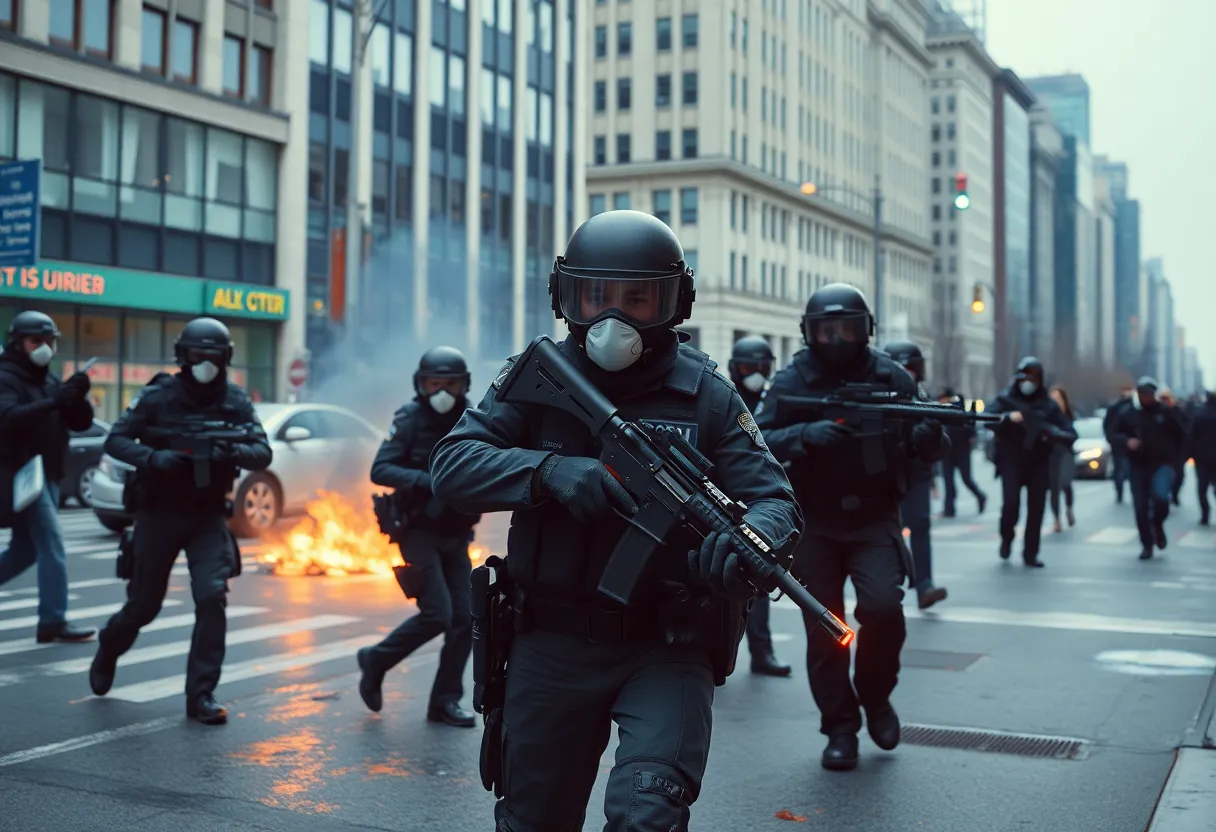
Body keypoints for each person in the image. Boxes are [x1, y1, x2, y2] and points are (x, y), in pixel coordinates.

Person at [429, 209, 803, 830]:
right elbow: (454, 466)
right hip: (548, 638)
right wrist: (549, 472)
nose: (614, 319)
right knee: (532, 819)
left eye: (639, 300)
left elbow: (774, 499)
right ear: (564, 297)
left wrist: (749, 543)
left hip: (667, 643)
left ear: (674, 305)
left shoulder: (707, 393)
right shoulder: (536, 378)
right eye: (595, 297)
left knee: (647, 813)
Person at [753, 284, 949, 772]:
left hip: (874, 515)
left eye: (849, 328)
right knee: (825, 631)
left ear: (868, 330)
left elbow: (930, 437)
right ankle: (840, 727)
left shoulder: (892, 376)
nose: (838, 338)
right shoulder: (792, 378)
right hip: (814, 521)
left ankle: (876, 697)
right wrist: (804, 435)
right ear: (808, 332)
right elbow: (753, 439)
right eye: (826, 330)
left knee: (883, 607)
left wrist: (929, 436)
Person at [89, 317, 272, 725]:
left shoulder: (236, 401)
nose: (205, 362)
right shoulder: (158, 397)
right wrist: (155, 458)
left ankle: (201, 695)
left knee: (211, 597)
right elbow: (116, 439)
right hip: (159, 512)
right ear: (182, 356)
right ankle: (109, 645)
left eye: (213, 355)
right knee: (144, 605)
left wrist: (230, 451)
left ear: (226, 358)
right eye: (196, 354)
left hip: (207, 516)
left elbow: (262, 452)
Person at [356, 346, 481, 727]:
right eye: (434, 383)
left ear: (464, 385)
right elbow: (381, 468)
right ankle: (377, 658)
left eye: (450, 384)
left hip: (456, 531)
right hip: (417, 530)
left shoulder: (474, 418)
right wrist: (428, 481)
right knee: (437, 614)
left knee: (465, 618)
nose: (442, 391)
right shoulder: (409, 418)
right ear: (421, 385)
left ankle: (444, 701)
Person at [0, 311, 96, 644]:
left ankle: (52, 620)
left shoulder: (49, 380)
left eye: (49, 341)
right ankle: (52, 621)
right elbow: (9, 418)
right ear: (18, 343)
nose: (43, 348)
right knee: (52, 544)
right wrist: (55, 401)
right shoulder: (6, 376)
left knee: (25, 550)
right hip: (22, 473)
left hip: (49, 475)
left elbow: (79, 422)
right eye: (35, 341)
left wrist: (78, 396)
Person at [726, 334, 790, 678]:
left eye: (762, 367)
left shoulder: (776, 399)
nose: (756, 374)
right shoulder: (722, 397)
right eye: (750, 367)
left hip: (759, 502)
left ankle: (762, 653)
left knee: (760, 579)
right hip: (721, 501)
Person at [984, 358, 1077, 568]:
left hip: (1039, 463)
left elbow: (1069, 433)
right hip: (1011, 461)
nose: (1027, 382)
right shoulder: (1005, 399)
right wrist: (1008, 418)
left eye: (1032, 378)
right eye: (1024, 377)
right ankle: (1006, 538)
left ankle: (1030, 553)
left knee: (1036, 509)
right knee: (1011, 506)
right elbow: (988, 418)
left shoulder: (1048, 405)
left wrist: (1049, 432)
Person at [883, 340, 948, 611]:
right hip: (883, 477)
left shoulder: (921, 398)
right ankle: (888, 587)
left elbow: (942, 446)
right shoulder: (874, 397)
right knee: (886, 533)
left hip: (916, 474)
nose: (906, 374)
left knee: (920, 525)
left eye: (910, 368)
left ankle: (924, 586)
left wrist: (930, 432)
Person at [1109, 377, 1187, 560]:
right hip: (1137, 465)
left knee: (1161, 500)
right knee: (1140, 506)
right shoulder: (1128, 414)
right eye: (1143, 394)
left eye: (1149, 394)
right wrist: (1127, 442)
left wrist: (1177, 461)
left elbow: (1181, 435)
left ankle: (1157, 525)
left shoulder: (1166, 413)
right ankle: (1147, 544)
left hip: (1162, 464)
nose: (1146, 398)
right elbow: (1113, 433)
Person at [937, 387, 987, 517]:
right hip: (947, 449)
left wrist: (969, 436)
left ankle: (981, 497)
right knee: (948, 481)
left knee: (966, 479)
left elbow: (972, 422)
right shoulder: (944, 409)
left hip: (961, 449)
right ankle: (949, 509)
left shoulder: (963, 406)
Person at [1047, 385, 1078, 534]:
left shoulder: (1067, 416)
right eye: (1053, 398)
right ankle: (1057, 519)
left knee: (1065, 482)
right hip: (1051, 454)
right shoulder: (1047, 414)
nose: (1055, 401)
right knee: (1054, 488)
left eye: (1058, 398)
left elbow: (1072, 434)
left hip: (1065, 453)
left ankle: (1069, 508)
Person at [1158, 388, 1188, 506]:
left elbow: (1183, 431)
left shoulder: (1177, 412)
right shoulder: (1156, 412)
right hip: (1161, 453)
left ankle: (1174, 494)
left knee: (1179, 476)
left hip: (1177, 451)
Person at [1104, 387, 1134, 503]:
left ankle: (1130, 493)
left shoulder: (1134, 409)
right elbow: (1108, 427)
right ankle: (1119, 492)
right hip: (1119, 444)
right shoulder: (1115, 408)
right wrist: (1111, 439)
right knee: (1119, 470)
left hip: (1129, 445)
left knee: (1128, 470)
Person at [1191, 391, 1216, 526]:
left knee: (1202, 488)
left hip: (1202, 457)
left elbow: (1192, 435)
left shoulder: (1200, 414)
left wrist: (1191, 453)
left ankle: (1205, 514)